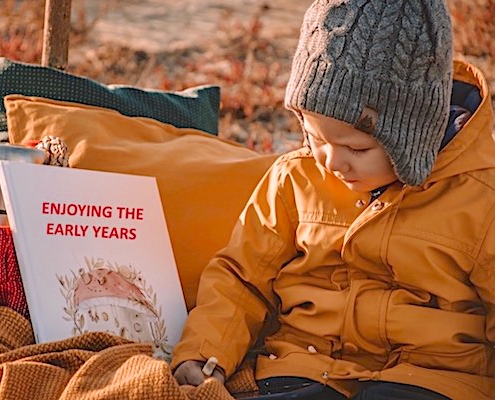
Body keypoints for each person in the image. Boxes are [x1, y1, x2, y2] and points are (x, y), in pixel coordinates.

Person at [170, 0, 495, 399]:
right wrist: (206, 353)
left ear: (413, 137)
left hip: (429, 379)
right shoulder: (296, 178)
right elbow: (242, 279)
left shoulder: (480, 199)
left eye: (356, 149)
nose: (331, 160)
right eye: (316, 137)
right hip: (304, 368)